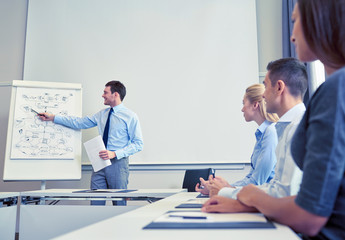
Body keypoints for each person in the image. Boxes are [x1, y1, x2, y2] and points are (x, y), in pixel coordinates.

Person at [230, 1, 345, 239]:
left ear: (320, 21)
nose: (292, 36)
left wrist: (251, 196)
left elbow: (310, 216)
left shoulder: (335, 90)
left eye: (295, 21)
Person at [202, 57, 308, 212]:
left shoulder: (298, 128)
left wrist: (227, 191)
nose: (263, 95)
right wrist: (228, 190)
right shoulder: (286, 127)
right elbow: (274, 187)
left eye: (265, 86)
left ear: (279, 87)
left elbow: (284, 194)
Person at [39, 80, 143, 205]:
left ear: (115, 94)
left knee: (118, 204)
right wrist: (53, 117)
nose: (102, 95)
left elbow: (138, 144)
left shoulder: (130, 116)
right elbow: (79, 122)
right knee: (95, 203)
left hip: (118, 165)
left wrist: (115, 154)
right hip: (99, 163)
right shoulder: (102, 114)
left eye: (105, 92)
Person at [195, 84, 279, 196]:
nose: (242, 109)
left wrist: (224, 189)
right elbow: (251, 177)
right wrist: (220, 188)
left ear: (255, 105)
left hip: (265, 202)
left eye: (244, 103)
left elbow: (257, 182)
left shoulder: (271, 132)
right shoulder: (262, 134)